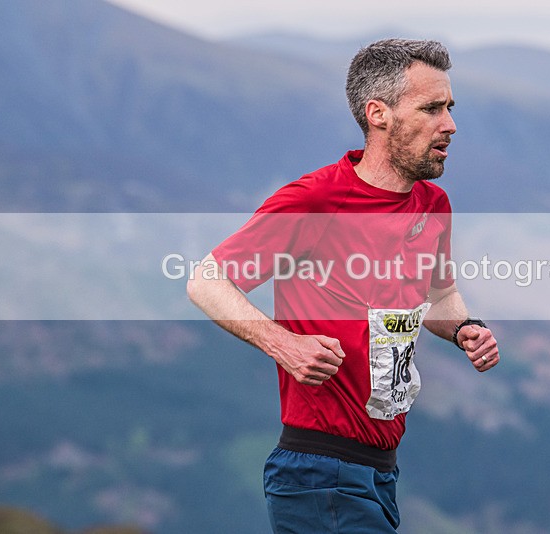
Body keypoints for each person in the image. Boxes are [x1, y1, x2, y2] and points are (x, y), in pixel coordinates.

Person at [187, 38, 499, 533]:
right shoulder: (316, 199)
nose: (450, 125)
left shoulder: (432, 204)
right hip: (318, 470)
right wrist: (282, 343)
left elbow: (439, 295)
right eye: (432, 109)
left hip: (380, 470)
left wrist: (465, 327)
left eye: (450, 108)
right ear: (379, 113)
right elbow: (206, 280)